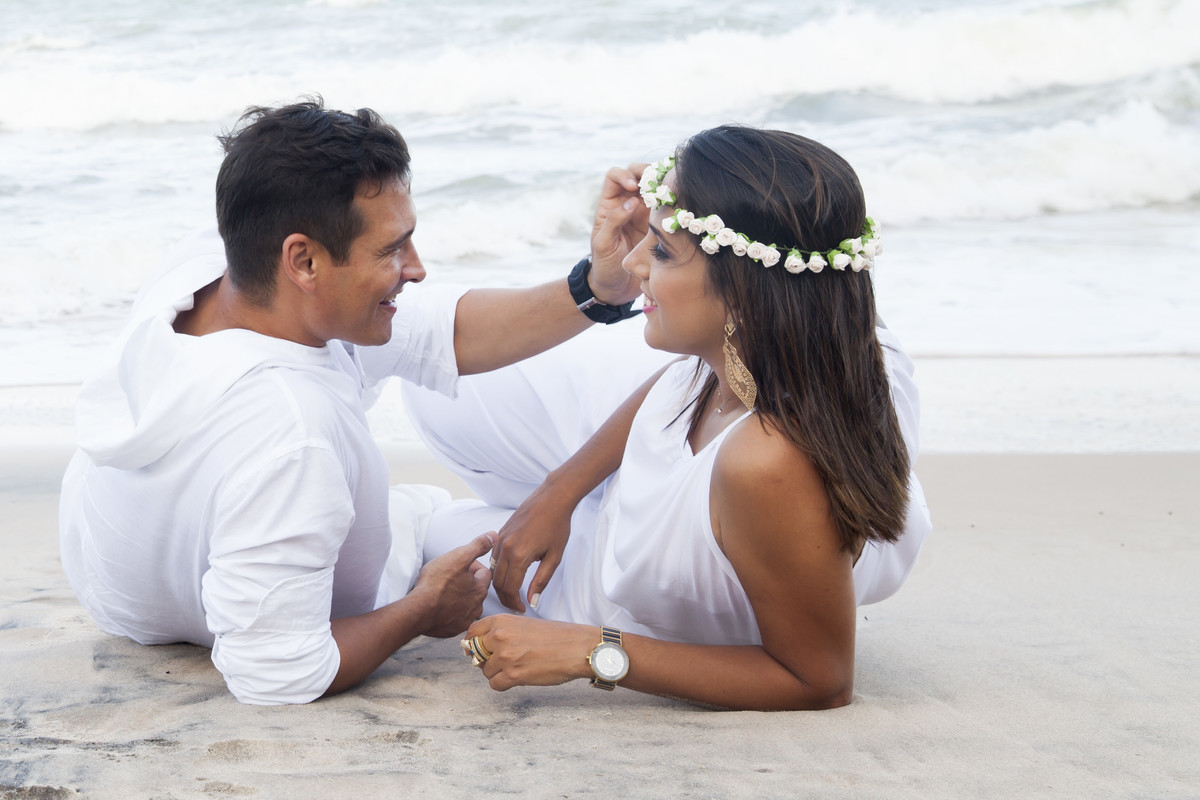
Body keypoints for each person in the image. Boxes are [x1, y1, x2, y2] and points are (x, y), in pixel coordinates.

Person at [58, 98, 650, 705]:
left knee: (454, 507)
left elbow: (439, 332)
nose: (416, 269)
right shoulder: (291, 434)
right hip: (229, 592)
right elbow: (276, 672)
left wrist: (599, 288)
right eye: (393, 249)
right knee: (550, 554)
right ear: (304, 260)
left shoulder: (211, 264)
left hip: (115, 574)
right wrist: (421, 611)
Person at [405, 125, 932, 711]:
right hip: (637, 532)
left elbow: (820, 680)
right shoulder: (788, 344)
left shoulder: (768, 463)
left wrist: (589, 650)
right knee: (441, 399)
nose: (632, 264)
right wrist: (561, 491)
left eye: (659, 250)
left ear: (743, 291)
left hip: (633, 606)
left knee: (430, 538)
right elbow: (675, 383)